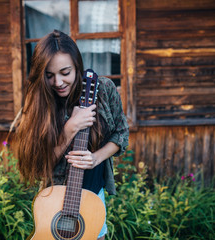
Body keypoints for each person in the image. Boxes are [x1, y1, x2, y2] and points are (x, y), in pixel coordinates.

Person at [15, 29, 129, 240]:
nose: (57, 82)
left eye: (65, 72)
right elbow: (37, 166)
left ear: (77, 66)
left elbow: (121, 135)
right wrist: (69, 129)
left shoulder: (103, 90)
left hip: (93, 194)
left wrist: (96, 158)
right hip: (55, 200)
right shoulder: (39, 102)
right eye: (49, 75)